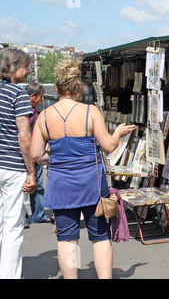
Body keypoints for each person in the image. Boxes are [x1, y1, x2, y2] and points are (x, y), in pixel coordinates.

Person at [30, 59, 135, 279]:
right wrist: (117, 134)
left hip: (61, 186)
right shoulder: (90, 112)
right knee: (100, 237)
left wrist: (57, 156)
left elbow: (37, 154)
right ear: (78, 88)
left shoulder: (45, 116)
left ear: (57, 89)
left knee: (67, 239)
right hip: (92, 186)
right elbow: (108, 146)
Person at [0, 48, 37, 279]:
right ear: (13, 69)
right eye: (26, 67)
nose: (29, 71)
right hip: (12, 165)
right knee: (12, 225)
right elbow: (24, 137)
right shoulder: (18, 94)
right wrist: (31, 171)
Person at [25, 82, 51, 227]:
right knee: (24, 186)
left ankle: (38, 214)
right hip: (24, 155)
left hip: (36, 153)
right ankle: (22, 218)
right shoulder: (23, 111)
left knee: (38, 185)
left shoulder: (36, 111)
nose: (41, 100)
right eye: (39, 97)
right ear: (31, 96)